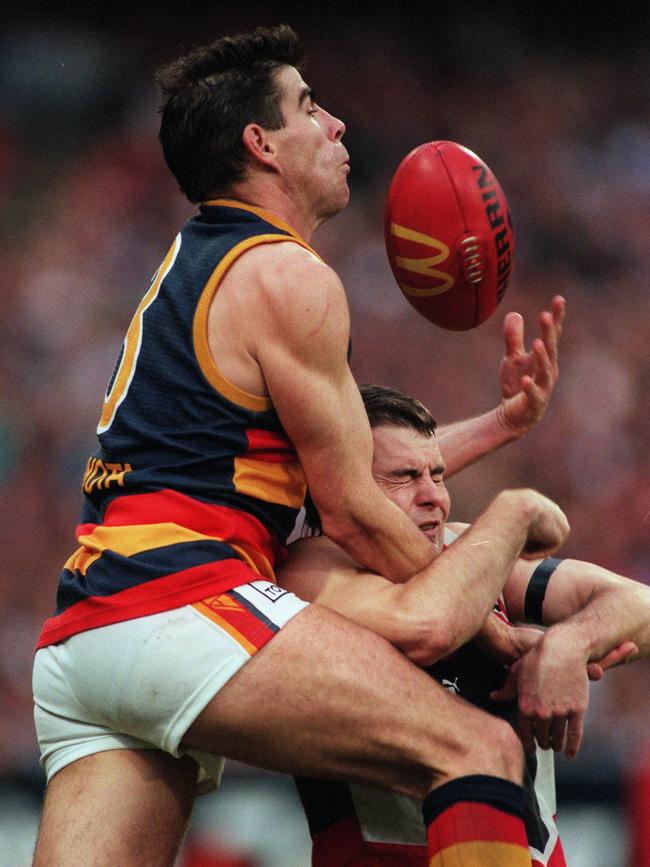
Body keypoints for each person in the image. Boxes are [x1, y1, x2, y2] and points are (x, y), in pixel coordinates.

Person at [32, 25, 569, 867]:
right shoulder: (292, 275)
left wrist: (498, 427)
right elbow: (356, 509)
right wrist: (475, 610)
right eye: (309, 107)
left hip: (88, 633)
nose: (338, 126)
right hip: (182, 600)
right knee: (476, 749)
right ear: (262, 144)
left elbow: (337, 473)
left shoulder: (195, 263)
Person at [278, 383, 648, 867]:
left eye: (437, 474)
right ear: (347, 489)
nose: (434, 497)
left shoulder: (465, 552)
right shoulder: (308, 575)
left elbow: (636, 602)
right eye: (405, 477)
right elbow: (432, 624)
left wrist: (567, 645)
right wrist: (520, 511)